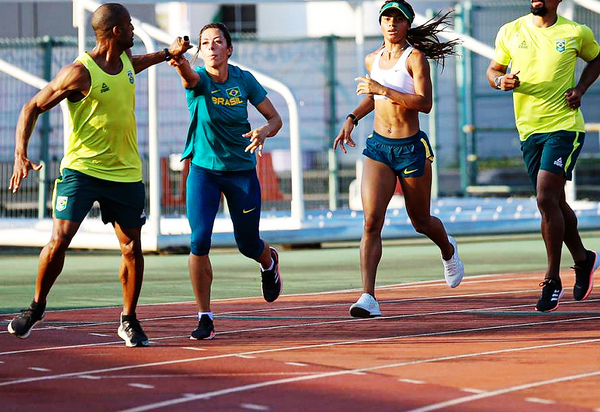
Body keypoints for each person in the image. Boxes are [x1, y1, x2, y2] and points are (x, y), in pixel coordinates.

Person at [7, 3, 191, 346]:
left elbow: (135, 65)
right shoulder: (79, 73)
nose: (135, 30)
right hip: (82, 170)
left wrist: (168, 53)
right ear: (116, 31)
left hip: (125, 173)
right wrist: (20, 153)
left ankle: (129, 319)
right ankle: (36, 307)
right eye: (131, 25)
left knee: (132, 248)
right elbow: (32, 106)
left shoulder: (124, 62)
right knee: (59, 240)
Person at [333, 1, 464, 318]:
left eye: (398, 19)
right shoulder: (372, 58)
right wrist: (352, 116)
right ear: (380, 23)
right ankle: (368, 296)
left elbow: (424, 103)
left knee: (420, 220)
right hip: (378, 147)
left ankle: (447, 249)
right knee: (370, 222)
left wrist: (384, 88)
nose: (391, 23)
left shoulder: (415, 58)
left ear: (408, 24)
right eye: (386, 18)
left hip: (410, 148)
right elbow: (372, 96)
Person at [167, 22, 283, 340]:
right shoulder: (199, 78)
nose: (212, 46)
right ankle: (205, 315)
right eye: (205, 43)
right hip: (204, 171)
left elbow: (275, 118)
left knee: (247, 244)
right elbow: (188, 77)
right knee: (199, 241)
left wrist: (263, 131)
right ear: (200, 52)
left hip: (241, 172)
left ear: (229, 49)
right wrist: (178, 61)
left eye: (218, 42)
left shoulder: (244, 80)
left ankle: (268, 260)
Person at [486, 0, 600, 312]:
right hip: (529, 131)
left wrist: (580, 89)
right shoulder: (510, 31)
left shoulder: (576, 32)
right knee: (554, 202)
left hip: (565, 127)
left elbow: (597, 59)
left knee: (545, 198)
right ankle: (583, 258)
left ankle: (552, 279)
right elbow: (493, 70)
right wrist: (500, 81)